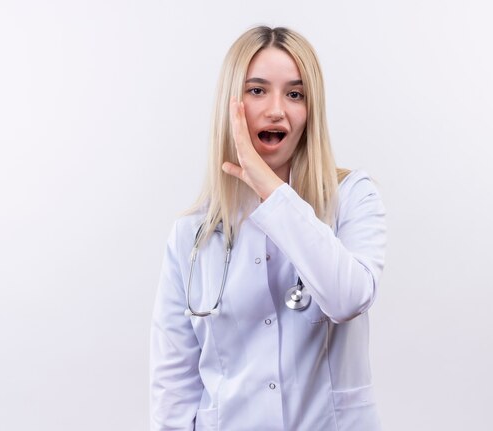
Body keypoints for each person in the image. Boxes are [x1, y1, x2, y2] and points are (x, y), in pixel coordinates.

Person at [150, 26, 387, 431]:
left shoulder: (351, 196)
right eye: (257, 90)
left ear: (311, 110)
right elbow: (174, 384)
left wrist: (272, 191)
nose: (276, 110)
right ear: (231, 104)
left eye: (295, 94)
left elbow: (348, 298)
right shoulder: (193, 234)